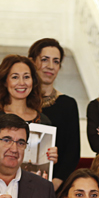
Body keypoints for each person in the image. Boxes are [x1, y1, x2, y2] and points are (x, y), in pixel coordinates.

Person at [0, 54, 58, 169]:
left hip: (29, 186)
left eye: (26, 77)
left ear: (33, 81)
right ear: (5, 81)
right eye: (15, 77)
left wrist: (49, 160)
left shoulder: (43, 122)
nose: (21, 83)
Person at [29, 38, 81, 189]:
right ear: (32, 62)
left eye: (56, 61)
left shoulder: (68, 104)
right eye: (45, 60)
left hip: (54, 186)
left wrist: (54, 186)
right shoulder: (20, 102)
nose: (50, 66)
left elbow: (72, 153)